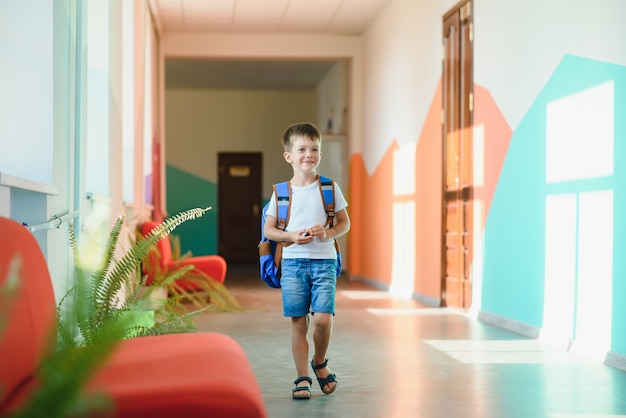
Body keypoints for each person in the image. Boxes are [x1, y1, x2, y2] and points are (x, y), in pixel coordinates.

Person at [263, 122, 350, 400]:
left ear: (320, 154)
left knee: (323, 320)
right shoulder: (281, 192)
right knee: (299, 322)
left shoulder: (329, 187)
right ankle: (302, 377)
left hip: (324, 262)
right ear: (289, 156)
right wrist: (289, 235)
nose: (308, 154)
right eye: (301, 149)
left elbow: (344, 223)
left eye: (314, 149)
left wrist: (329, 231)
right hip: (293, 264)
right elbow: (269, 230)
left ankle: (320, 362)